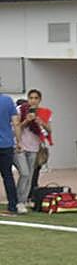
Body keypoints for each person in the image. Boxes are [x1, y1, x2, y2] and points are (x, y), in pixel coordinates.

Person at [0, 84, 18, 215]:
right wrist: (19, 141)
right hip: (6, 143)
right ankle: (13, 206)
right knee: (8, 176)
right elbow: (15, 122)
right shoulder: (8, 100)